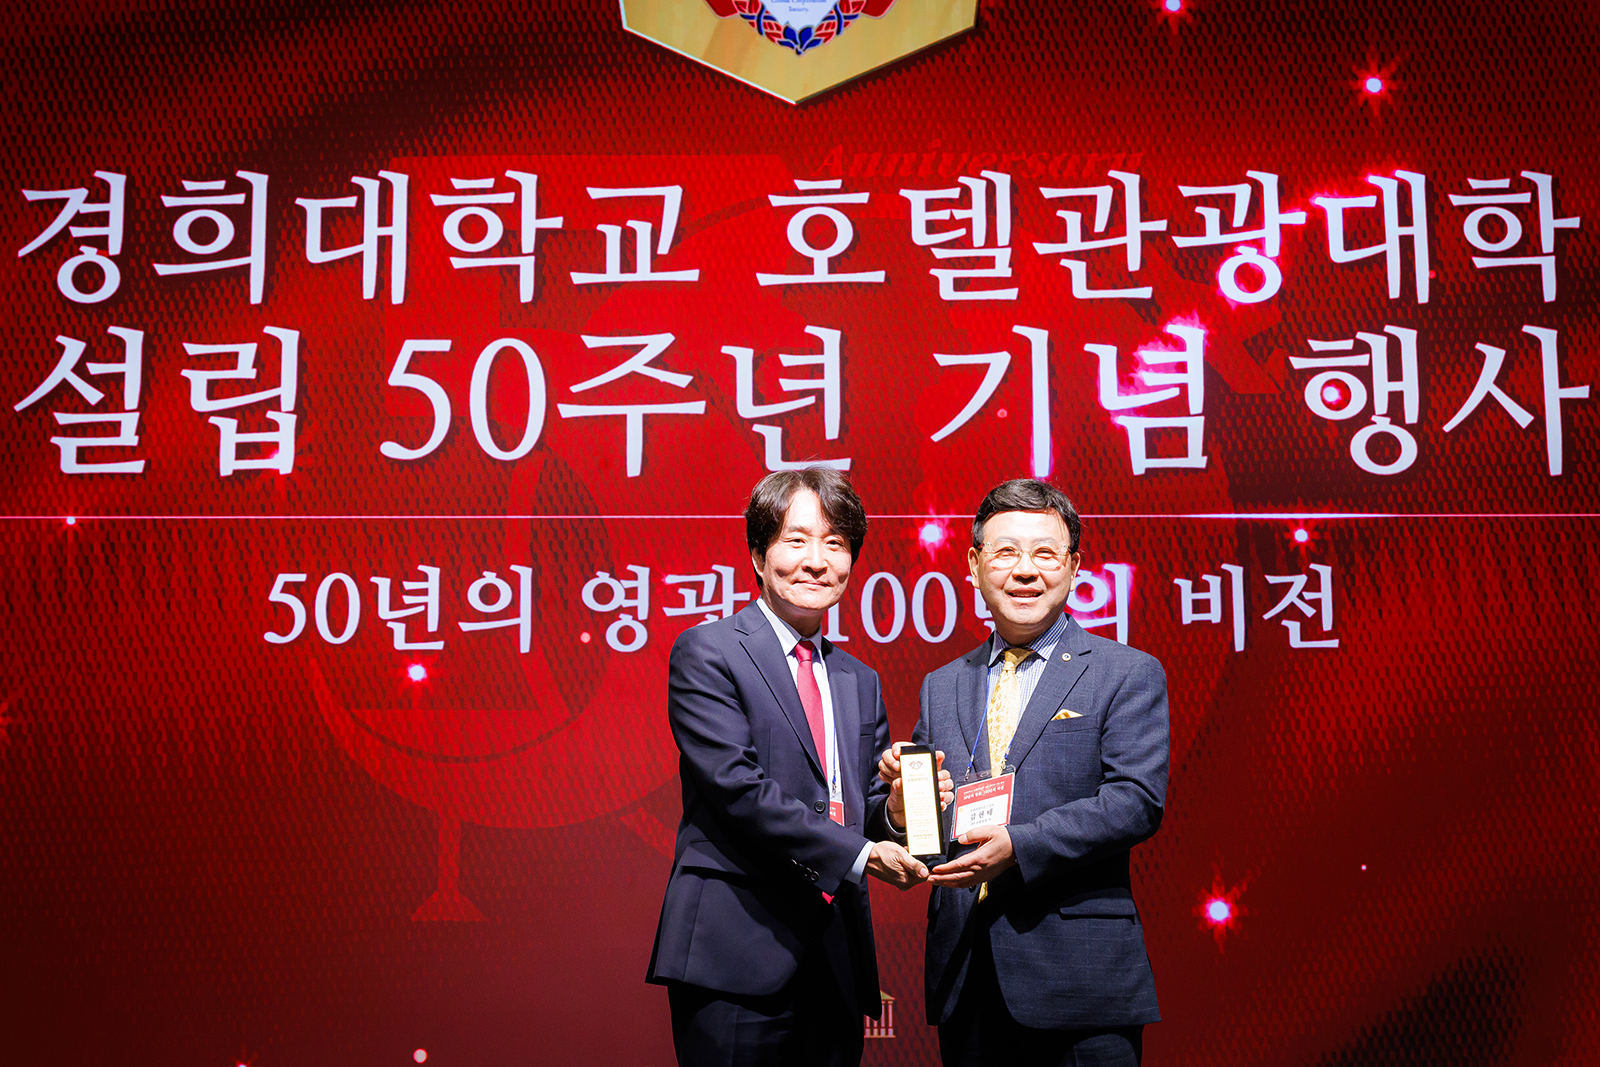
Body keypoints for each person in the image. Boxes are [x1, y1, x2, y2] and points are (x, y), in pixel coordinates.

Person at [646, 467, 931, 1067]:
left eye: (835, 543)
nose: (816, 561)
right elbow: (737, 789)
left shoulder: (859, 679)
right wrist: (863, 855)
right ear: (758, 554)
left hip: (835, 960)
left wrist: (897, 813)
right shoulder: (709, 651)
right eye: (796, 540)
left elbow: (859, 809)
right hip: (734, 952)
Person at [881, 478, 1169, 1067]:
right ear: (973, 565)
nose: (1025, 570)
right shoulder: (943, 684)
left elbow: (1136, 800)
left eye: (1045, 553)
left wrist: (1021, 845)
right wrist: (902, 810)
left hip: (1079, 978)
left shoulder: (1125, 672)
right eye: (1006, 552)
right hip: (967, 973)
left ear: (1074, 567)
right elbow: (931, 827)